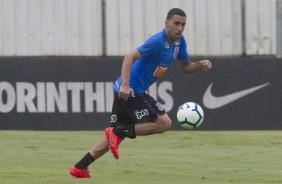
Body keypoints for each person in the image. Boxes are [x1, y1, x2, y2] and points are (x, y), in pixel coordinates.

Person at [70, 8, 212, 178]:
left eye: (183, 24)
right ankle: (116, 133)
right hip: (131, 90)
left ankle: (80, 167)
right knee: (164, 123)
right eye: (176, 23)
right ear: (166, 24)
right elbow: (129, 57)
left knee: (116, 135)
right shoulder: (158, 41)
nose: (180, 28)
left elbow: (186, 67)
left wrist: (200, 65)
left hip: (124, 90)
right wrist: (126, 85)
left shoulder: (179, 43)